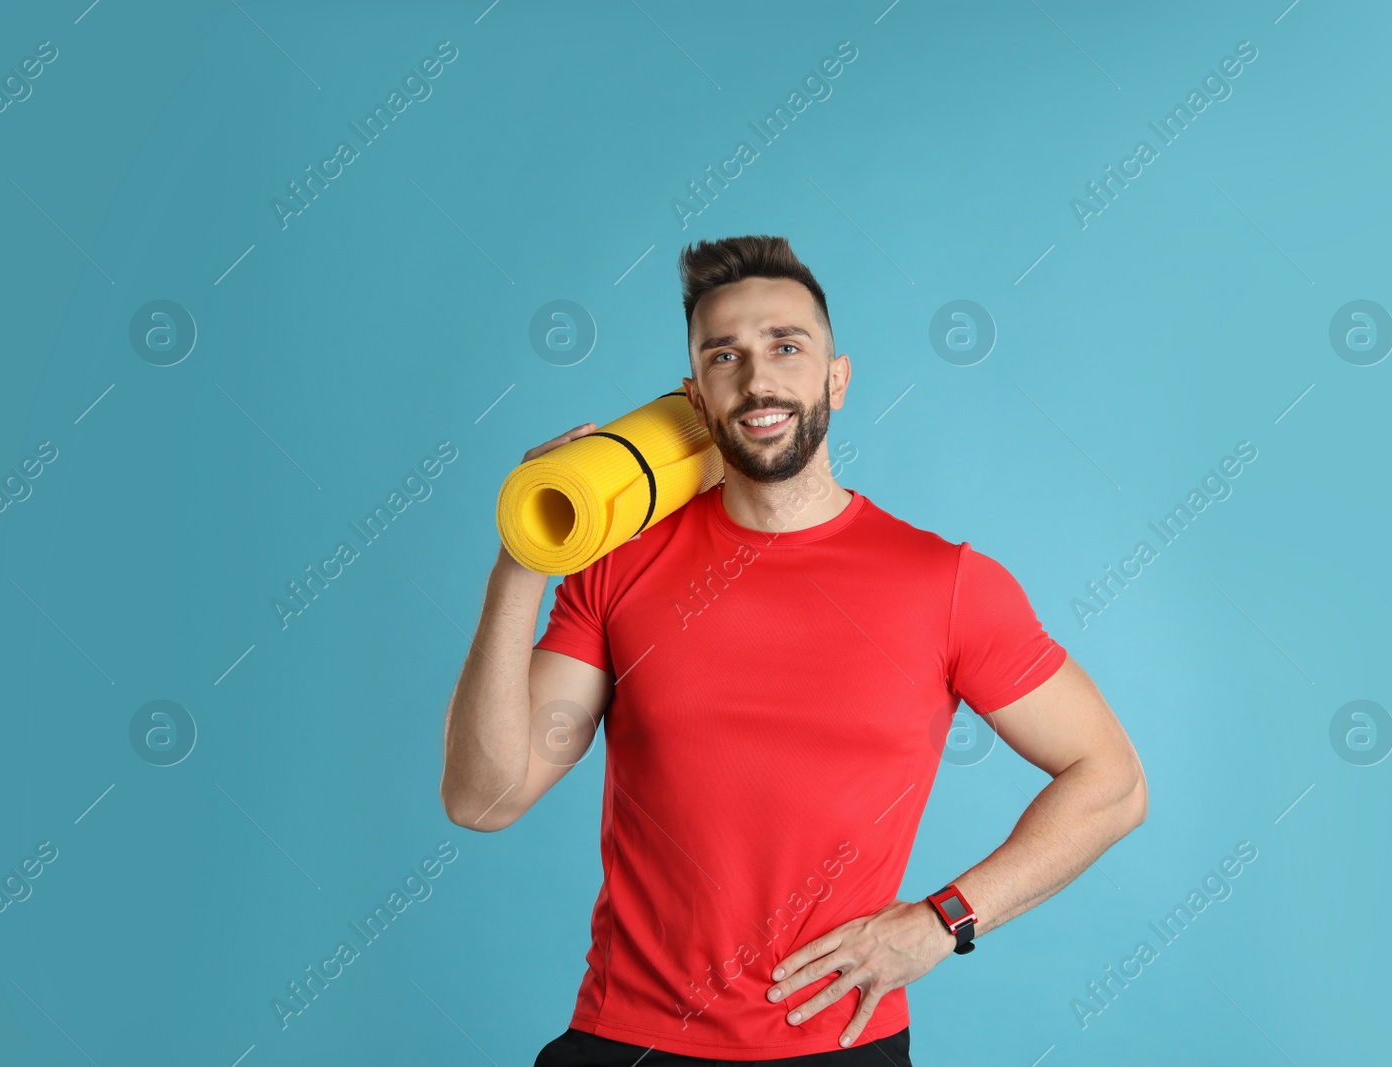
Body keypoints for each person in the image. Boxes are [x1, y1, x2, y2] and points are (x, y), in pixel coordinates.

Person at [440, 235, 1147, 1066]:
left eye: (786, 346)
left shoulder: (948, 583)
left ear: (836, 380)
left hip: (838, 1046)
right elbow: (483, 799)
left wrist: (943, 919)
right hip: (627, 1040)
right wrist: (521, 570)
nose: (757, 378)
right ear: (696, 401)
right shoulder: (619, 569)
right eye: (724, 355)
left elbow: (1113, 781)